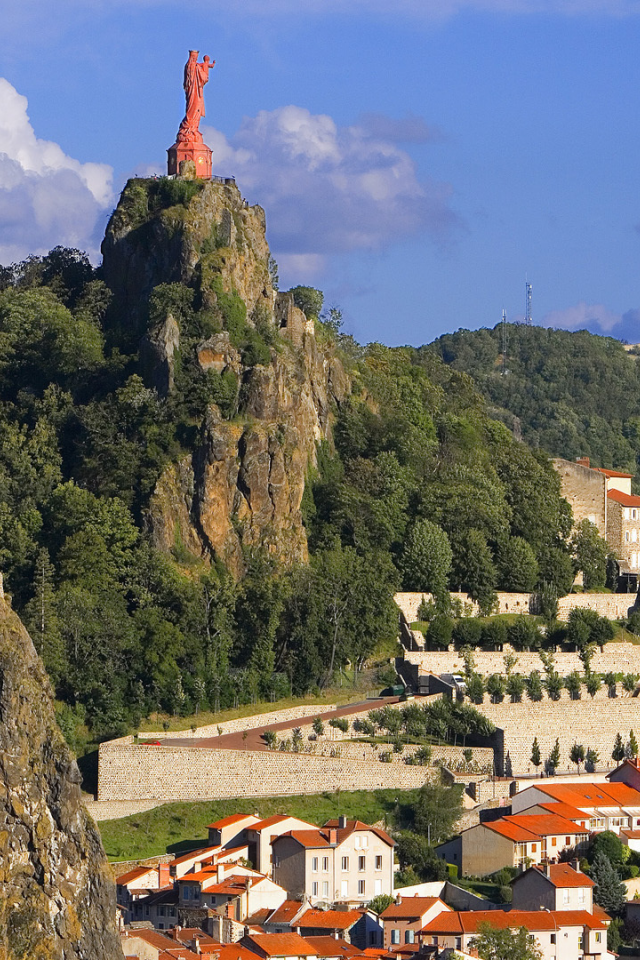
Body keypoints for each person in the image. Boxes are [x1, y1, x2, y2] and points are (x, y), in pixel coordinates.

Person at [178, 50, 215, 141]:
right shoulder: (194, 67)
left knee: (195, 110)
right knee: (194, 109)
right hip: (194, 93)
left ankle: (193, 128)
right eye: (194, 58)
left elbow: (199, 68)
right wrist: (206, 63)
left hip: (194, 92)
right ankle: (190, 128)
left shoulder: (190, 66)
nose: (195, 60)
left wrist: (206, 64)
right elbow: (204, 78)